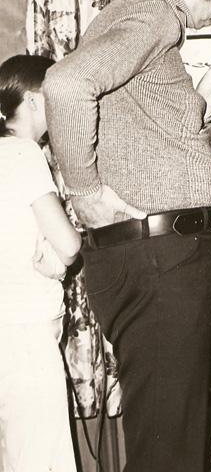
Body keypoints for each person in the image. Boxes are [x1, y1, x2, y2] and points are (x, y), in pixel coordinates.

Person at [42, 0, 211, 472]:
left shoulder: (130, 15)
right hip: (164, 260)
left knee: (168, 439)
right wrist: (84, 191)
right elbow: (65, 86)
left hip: (155, 256)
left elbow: (137, 133)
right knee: (170, 450)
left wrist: (199, 116)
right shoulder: (155, 16)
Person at [0, 54, 82, 472]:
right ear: (33, 100)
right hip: (27, 335)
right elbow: (67, 244)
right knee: (40, 461)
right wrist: (60, 264)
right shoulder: (23, 153)